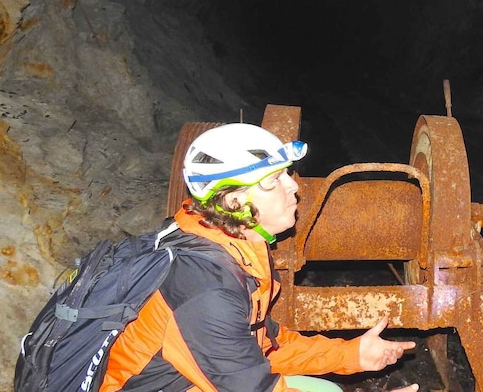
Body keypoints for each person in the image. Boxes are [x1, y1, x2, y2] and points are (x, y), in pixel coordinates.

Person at [100, 123, 419, 392]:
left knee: (324, 389)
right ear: (235, 202)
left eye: (287, 174)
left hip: (192, 380)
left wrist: (351, 355)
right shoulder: (203, 288)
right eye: (273, 180)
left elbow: (262, 347)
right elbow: (249, 385)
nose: (294, 185)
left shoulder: (232, 248)